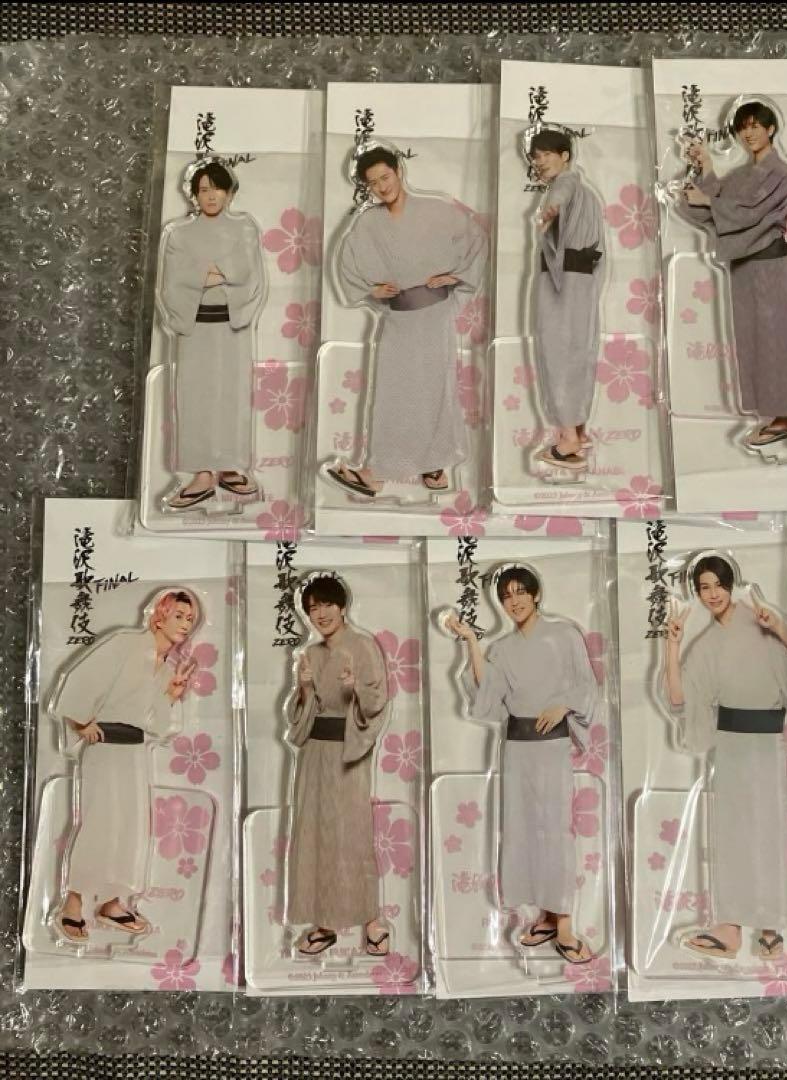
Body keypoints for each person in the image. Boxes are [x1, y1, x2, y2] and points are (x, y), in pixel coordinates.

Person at [447, 566, 597, 964]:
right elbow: (488, 692)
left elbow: (586, 685)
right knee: (523, 828)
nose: (514, 601)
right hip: (516, 747)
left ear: (535, 594)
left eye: (520, 592)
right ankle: (545, 914)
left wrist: (563, 704)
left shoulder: (565, 635)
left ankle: (564, 923)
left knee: (555, 828)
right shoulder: (502, 648)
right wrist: (472, 643)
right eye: (506, 596)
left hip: (551, 745)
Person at [326, 146, 487, 499]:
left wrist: (456, 276)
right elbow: (347, 263)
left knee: (435, 388)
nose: (382, 186)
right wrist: (372, 289)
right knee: (393, 393)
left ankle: (434, 464)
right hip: (398, 318)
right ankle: (379, 471)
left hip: (435, 314)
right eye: (373, 183)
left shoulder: (436, 209)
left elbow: (476, 239)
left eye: (385, 177)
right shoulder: (368, 222)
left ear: (399, 170)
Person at [663, 555, 787, 959]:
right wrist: (672, 645)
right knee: (731, 832)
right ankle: (730, 928)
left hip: (768, 740)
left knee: (768, 829)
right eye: (704, 588)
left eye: (718, 585)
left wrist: (780, 629)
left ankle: (771, 925)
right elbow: (679, 698)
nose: (713, 594)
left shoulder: (762, 623)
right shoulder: (706, 645)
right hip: (729, 744)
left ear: (732, 583)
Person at [51, 589, 199, 942]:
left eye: (191, 619)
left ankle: (113, 902)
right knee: (100, 821)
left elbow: (160, 727)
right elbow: (81, 680)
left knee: (132, 826)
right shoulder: (124, 643)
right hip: (104, 747)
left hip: (134, 751)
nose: (185, 625)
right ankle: (73, 902)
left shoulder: (168, 668)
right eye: (179, 616)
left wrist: (171, 694)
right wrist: (80, 723)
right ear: (159, 616)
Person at [682, 101, 787, 451]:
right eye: (743, 127)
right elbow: (711, 206)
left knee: (780, 338)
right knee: (754, 341)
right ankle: (781, 418)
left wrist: (710, 202)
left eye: (756, 126)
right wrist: (706, 166)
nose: (748, 133)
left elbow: (750, 212)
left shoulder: (781, 172)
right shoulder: (740, 176)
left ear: (771, 129)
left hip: (770, 265)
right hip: (743, 267)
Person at [285, 572, 391, 958]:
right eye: (313, 608)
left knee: (351, 834)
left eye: (327, 604)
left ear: (342, 606)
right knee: (315, 833)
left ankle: (372, 920)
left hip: (348, 752)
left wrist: (353, 688)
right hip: (315, 753)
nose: (321, 614)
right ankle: (324, 922)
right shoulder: (311, 654)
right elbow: (296, 716)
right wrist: (305, 688)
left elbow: (377, 701)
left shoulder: (362, 646)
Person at [158, 160, 267, 510]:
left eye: (217, 188)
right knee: (195, 396)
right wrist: (210, 276)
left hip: (233, 326)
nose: (211, 196)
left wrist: (209, 275)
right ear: (193, 194)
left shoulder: (244, 228)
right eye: (203, 189)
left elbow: (250, 276)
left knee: (233, 393)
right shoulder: (179, 234)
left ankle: (230, 465)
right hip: (194, 329)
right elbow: (172, 283)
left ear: (229, 192)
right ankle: (202, 472)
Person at [529, 129, 605, 472]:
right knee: (578, 350)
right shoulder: (587, 194)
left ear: (565, 156)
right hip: (582, 279)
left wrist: (551, 209)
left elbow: (561, 192)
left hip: (563, 280)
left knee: (556, 352)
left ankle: (568, 439)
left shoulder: (566, 184)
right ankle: (578, 427)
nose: (540, 161)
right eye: (536, 156)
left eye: (547, 154)